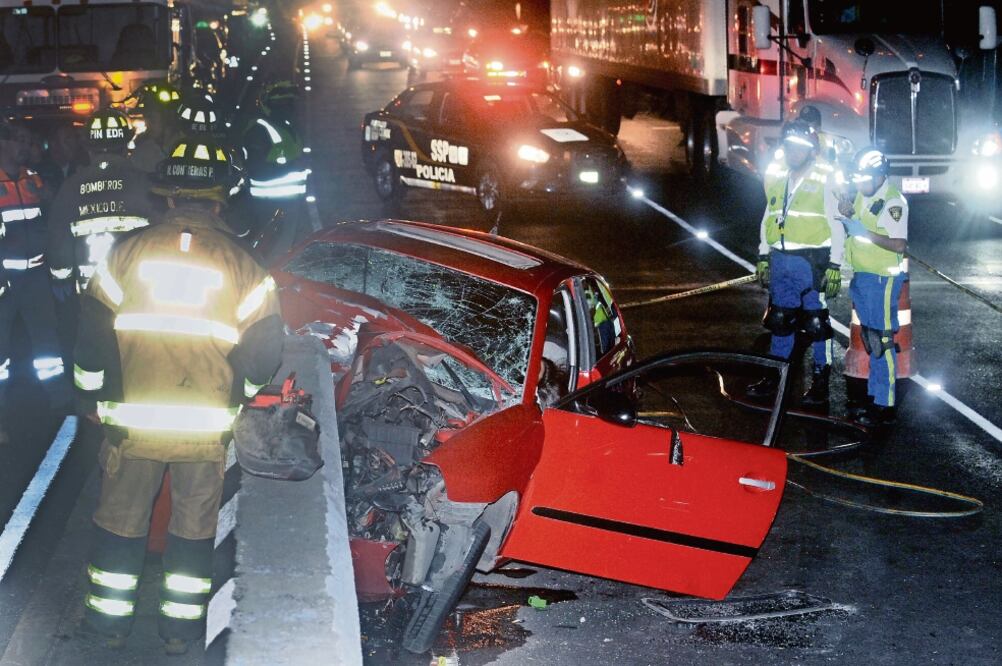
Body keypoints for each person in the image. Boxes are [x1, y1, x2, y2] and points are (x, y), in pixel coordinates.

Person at [75, 136, 284, 654]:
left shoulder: (124, 254)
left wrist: (92, 398)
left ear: (167, 196)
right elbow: (263, 354)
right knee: (193, 530)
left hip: (132, 424)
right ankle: (180, 634)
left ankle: (107, 627)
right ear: (220, 199)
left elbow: (90, 340)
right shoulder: (246, 266)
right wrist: (238, 398)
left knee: (120, 524)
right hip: (205, 428)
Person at [749, 120, 846, 405]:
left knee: (816, 324)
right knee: (780, 321)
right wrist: (763, 255)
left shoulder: (826, 179)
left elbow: (837, 224)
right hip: (781, 261)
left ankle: (819, 380)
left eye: (799, 148)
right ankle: (775, 378)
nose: (792, 152)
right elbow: (769, 216)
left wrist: (835, 265)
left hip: (811, 263)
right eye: (789, 147)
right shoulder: (780, 177)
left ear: (811, 150)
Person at [0, 120, 73, 444]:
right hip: (4, 280)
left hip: (34, 277)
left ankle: (59, 399)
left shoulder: (34, 181)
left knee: (47, 341)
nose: (24, 147)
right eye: (17, 140)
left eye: (27, 141)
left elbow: (52, 220)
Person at [839, 148, 908, 427]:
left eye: (864, 178)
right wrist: (848, 212)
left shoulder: (893, 202)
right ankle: (873, 396)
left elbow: (898, 244)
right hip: (864, 276)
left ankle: (885, 404)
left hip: (882, 279)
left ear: (880, 176)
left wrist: (861, 231)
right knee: (870, 338)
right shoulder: (865, 194)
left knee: (881, 340)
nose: (859, 183)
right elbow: (859, 219)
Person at [241, 81, 307, 259]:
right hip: (268, 207)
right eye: (281, 103)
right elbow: (256, 171)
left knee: (290, 254)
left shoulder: (287, 127)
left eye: (289, 102)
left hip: (291, 204)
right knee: (271, 255)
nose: (287, 107)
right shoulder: (259, 131)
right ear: (267, 104)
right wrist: (290, 167)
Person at [129, 81, 182, 174]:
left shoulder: (186, 149)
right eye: (146, 118)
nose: (147, 124)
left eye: (152, 119)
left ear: (169, 118)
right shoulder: (142, 152)